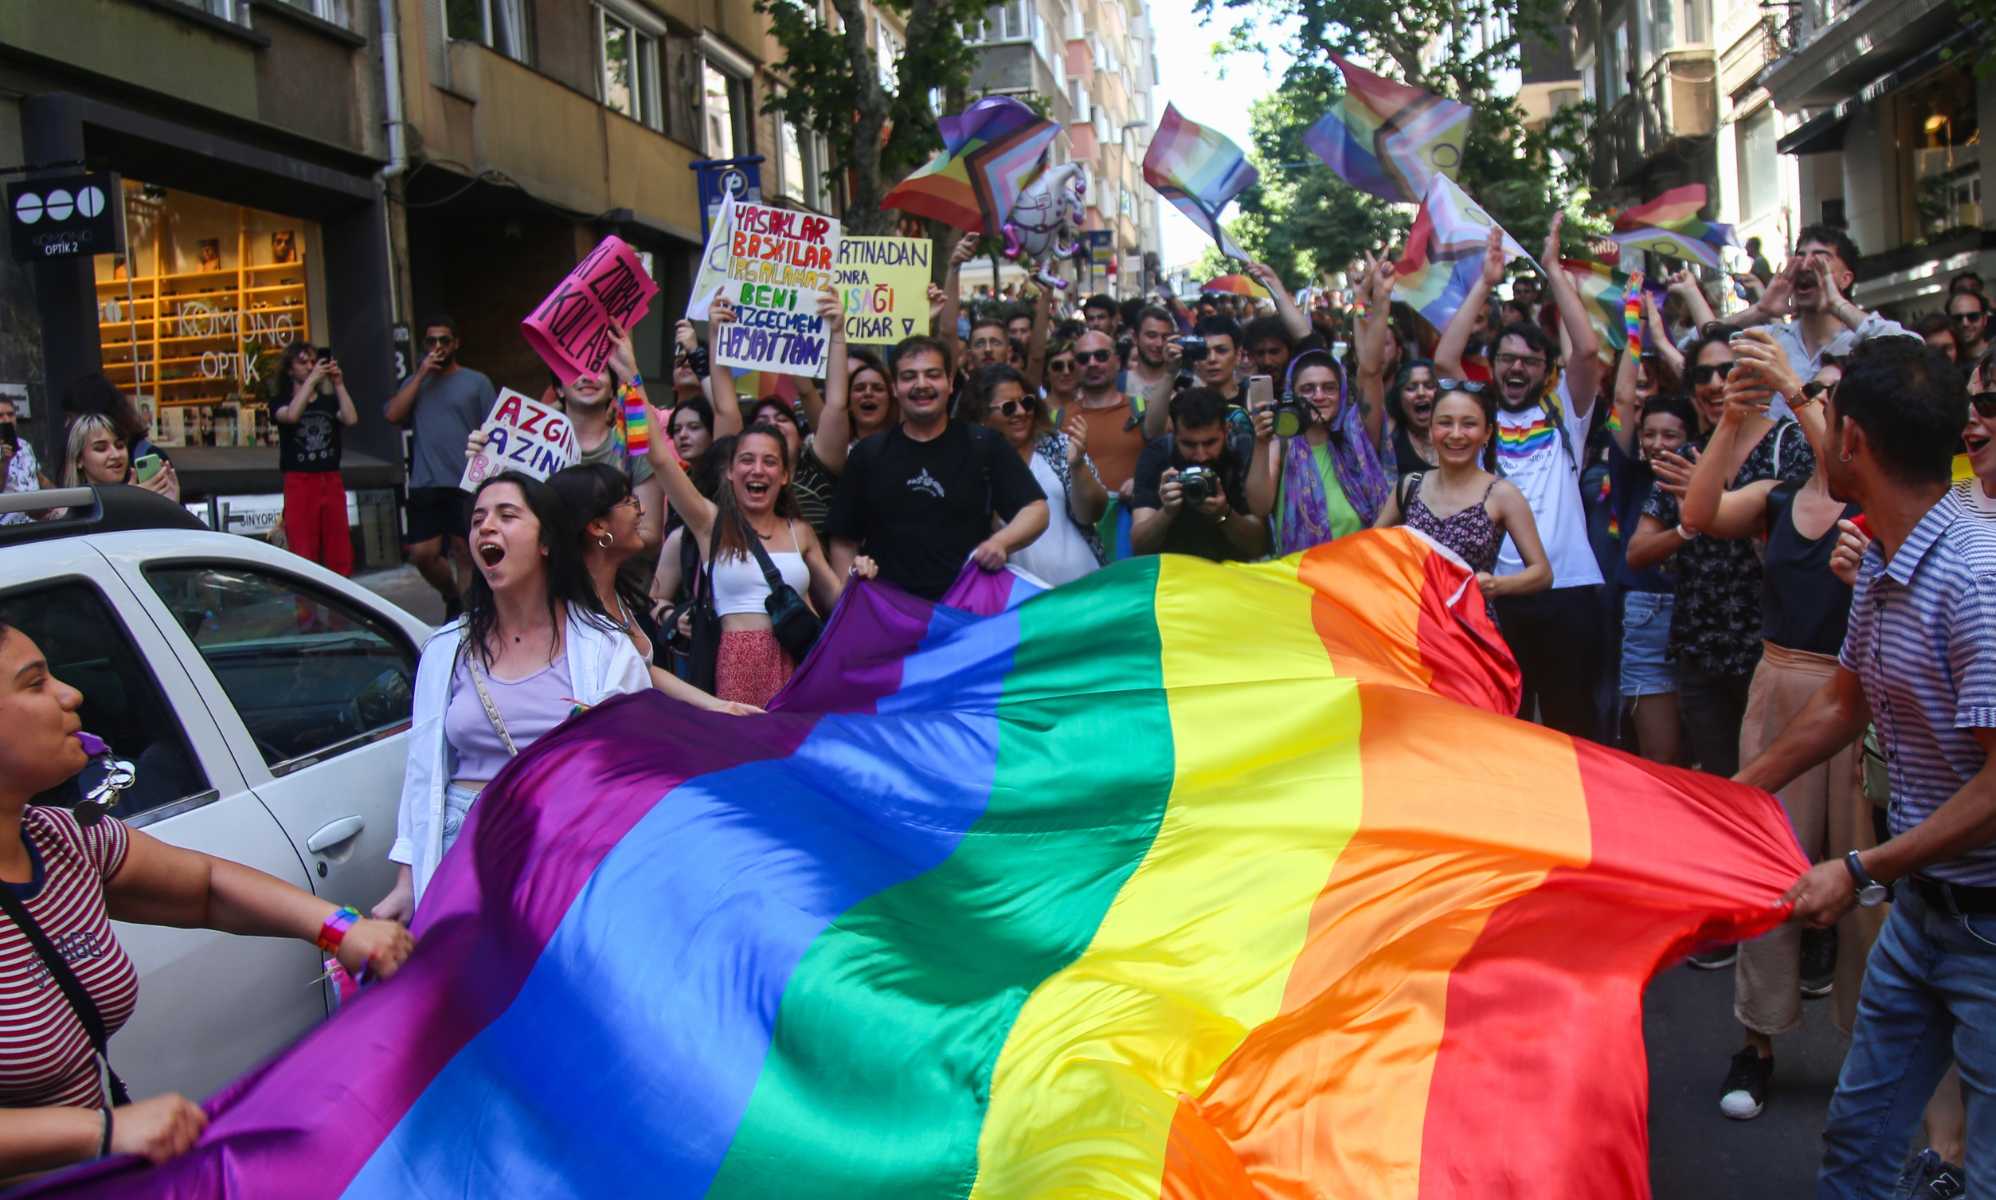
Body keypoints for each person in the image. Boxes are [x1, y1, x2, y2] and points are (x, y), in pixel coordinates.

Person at [0, 614, 412, 1171]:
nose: (70, 694)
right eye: (35, 683)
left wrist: (340, 928)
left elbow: (206, 889)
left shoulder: (62, 839)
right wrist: (99, 1131)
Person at [1730, 342, 1996, 1196]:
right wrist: (1735, 795)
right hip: (1924, 910)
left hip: (1987, 927)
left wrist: (1859, 869)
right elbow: (1847, 704)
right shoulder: (1883, 551)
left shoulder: (1976, 580)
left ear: (1855, 445)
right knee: (1858, 1145)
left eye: (1830, 415)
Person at [1678, 346, 1874, 1120]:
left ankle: (1869, 1055)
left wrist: (1795, 391)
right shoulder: (1779, 494)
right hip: (1779, 688)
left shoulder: (1878, 506)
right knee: (1770, 873)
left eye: (1829, 399)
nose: (1818, 408)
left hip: (1858, 696)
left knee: (1863, 882)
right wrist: (1729, 425)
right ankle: (1756, 1044)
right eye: (1813, 398)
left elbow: (1848, 473)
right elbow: (1697, 516)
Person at [374, 472, 649, 919]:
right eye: (478, 518)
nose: (486, 526)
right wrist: (406, 883)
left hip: (562, 853)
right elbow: (423, 771)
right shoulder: (446, 649)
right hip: (459, 852)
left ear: (546, 543)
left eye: (507, 515)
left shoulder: (605, 649)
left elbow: (636, 770)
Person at [1433, 217, 1607, 740]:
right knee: (1506, 725)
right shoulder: (1476, 419)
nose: (1517, 369)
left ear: (1546, 371)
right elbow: (1444, 357)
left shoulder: (1565, 413)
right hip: (1495, 594)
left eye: (1530, 361)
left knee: (1571, 724)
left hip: (1571, 589)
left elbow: (1590, 352)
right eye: (1506, 358)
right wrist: (1485, 283)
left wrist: (1552, 269)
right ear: (1491, 366)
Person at [1627, 331, 1813, 789]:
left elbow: (1800, 539)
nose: (1715, 383)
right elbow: (1637, 552)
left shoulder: (1790, 444)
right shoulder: (1689, 453)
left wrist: (1710, 499)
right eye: (1703, 374)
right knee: (1721, 790)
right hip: (1700, 647)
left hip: (1771, 650)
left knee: (1775, 793)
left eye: (1727, 370)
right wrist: (1688, 526)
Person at [644, 407, 861, 706]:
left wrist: (860, 575)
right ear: (731, 472)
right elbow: (658, 458)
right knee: (739, 749)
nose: (757, 469)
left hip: (797, 664)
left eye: (769, 462)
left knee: (788, 749)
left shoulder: (801, 531)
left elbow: (840, 603)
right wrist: (633, 381)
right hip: (736, 665)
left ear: (784, 476)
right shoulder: (711, 525)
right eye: (747, 460)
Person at [826, 337, 1048, 601]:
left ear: (950, 382)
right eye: (909, 376)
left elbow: (1036, 510)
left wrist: (1002, 542)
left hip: (967, 614)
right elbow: (843, 540)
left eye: (932, 375)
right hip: (890, 618)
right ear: (895, 387)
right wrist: (850, 591)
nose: (921, 385)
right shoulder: (868, 454)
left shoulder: (983, 444)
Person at [545, 463, 755, 714]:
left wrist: (720, 705)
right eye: (629, 502)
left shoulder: (613, 595)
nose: (642, 509)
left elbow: (642, 669)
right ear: (598, 526)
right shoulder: (564, 616)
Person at [1370, 382, 1552, 594]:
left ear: (1487, 433)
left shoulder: (1501, 494)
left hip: (1469, 623)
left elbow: (1543, 573)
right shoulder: (1409, 486)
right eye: (1445, 423)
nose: (1456, 434)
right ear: (1431, 430)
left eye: (1469, 424)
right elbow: (1368, 548)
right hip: (1412, 620)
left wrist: (1497, 585)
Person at [1715, 227, 1910, 419]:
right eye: (1800, 257)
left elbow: (1912, 348)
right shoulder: (1767, 340)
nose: (1806, 266)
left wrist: (1837, 303)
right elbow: (1699, 344)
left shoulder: (1864, 345)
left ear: (1845, 279)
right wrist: (1759, 309)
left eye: (1820, 258)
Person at [384, 316, 494, 619]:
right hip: (426, 481)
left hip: (465, 479)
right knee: (423, 554)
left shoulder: (476, 382)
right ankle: (452, 595)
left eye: (444, 341)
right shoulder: (416, 382)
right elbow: (393, 415)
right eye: (431, 342)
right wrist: (420, 375)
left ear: (455, 343)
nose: (438, 347)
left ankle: (468, 617)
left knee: (465, 551)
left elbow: (495, 428)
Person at [965, 365, 1105, 586]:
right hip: (1018, 602)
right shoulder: (970, 461)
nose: (1021, 412)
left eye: (1027, 402)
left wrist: (1078, 466)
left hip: (1084, 589)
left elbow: (1092, 514)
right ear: (982, 415)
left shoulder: (1059, 446)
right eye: (1009, 407)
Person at [1246, 348, 1389, 553]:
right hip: (1300, 577)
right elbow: (1259, 506)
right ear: (1291, 394)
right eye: (1307, 389)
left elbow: (1371, 371)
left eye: (1329, 388)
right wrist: (1261, 443)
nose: (1319, 396)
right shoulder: (1280, 445)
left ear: (1342, 393)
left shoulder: (1358, 439)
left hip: (1360, 573)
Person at [1130, 388, 1268, 563]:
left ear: (1227, 430)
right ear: (1173, 434)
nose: (1201, 455)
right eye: (1189, 444)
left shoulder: (1241, 451)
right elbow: (1139, 547)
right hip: (1172, 574)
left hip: (1231, 574)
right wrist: (1166, 512)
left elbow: (1258, 545)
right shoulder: (1157, 455)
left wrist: (1224, 514)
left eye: (1210, 443)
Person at [273, 342, 359, 575]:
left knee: (338, 547)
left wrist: (338, 383)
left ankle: (340, 609)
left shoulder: (328, 402)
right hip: (299, 481)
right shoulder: (279, 401)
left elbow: (351, 418)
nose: (310, 366)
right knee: (302, 550)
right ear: (290, 370)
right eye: (303, 362)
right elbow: (291, 415)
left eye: (313, 362)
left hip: (330, 478)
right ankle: (305, 611)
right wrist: (312, 380)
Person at [0, 394, 44, 527]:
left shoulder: (25, 445)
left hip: (35, 520)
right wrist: (5, 462)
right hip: (8, 526)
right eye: (0, 416)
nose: (7, 419)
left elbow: (39, 478)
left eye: (10, 414)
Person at [1949, 289, 1989, 364]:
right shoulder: (1948, 362)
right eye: (1958, 318)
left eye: (1973, 316)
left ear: (1985, 319)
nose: (1965, 323)